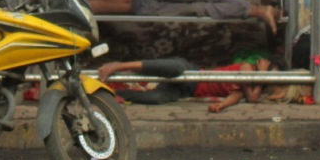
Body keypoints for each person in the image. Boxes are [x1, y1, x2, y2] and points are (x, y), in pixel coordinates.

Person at [77, 0, 281, 33]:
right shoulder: (64, 8)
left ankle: (260, 10)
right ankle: (259, 10)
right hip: (142, 9)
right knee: (200, 9)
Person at [97, 56, 281, 112]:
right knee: (172, 67)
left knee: (157, 98)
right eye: (269, 68)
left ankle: (108, 92)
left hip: (186, 90)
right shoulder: (247, 68)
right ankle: (118, 65)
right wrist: (262, 76)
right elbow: (252, 95)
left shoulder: (245, 88)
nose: (264, 62)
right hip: (190, 72)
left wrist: (220, 106)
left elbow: (244, 97)